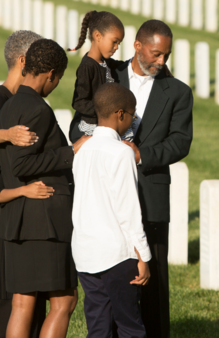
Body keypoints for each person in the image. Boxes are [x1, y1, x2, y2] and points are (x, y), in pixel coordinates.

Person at [72, 20, 194, 338]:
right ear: (137, 46)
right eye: (156, 53)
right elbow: (82, 120)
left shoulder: (178, 92)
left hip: (150, 195)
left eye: (166, 55)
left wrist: (142, 155)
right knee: (110, 292)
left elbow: (181, 142)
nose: (161, 62)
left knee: (152, 283)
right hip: (106, 199)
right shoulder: (106, 73)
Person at [0, 38, 81, 338]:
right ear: (51, 75)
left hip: (19, 218)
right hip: (43, 221)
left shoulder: (8, 106)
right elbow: (22, 165)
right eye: (58, 79)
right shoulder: (37, 109)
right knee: (64, 301)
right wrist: (71, 152)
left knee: (23, 303)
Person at [0, 30, 48, 338]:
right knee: (2, 286)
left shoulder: (25, 101)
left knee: (28, 288)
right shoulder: (0, 97)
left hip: (24, 200)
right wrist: (10, 133)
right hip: (2, 202)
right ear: (22, 61)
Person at [72, 82, 152, 338]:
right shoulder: (121, 153)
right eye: (132, 115)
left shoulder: (82, 149)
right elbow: (128, 210)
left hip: (85, 252)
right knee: (130, 326)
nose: (132, 120)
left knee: (99, 327)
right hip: (117, 254)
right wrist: (144, 257)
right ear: (120, 114)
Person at [68, 10, 172, 143]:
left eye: (119, 43)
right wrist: (105, 113)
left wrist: (162, 69)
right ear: (98, 36)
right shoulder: (87, 66)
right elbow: (79, 101)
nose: (117, 47)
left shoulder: (106, 63)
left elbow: (127, 66)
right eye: (114, 41)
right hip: (96, 125)